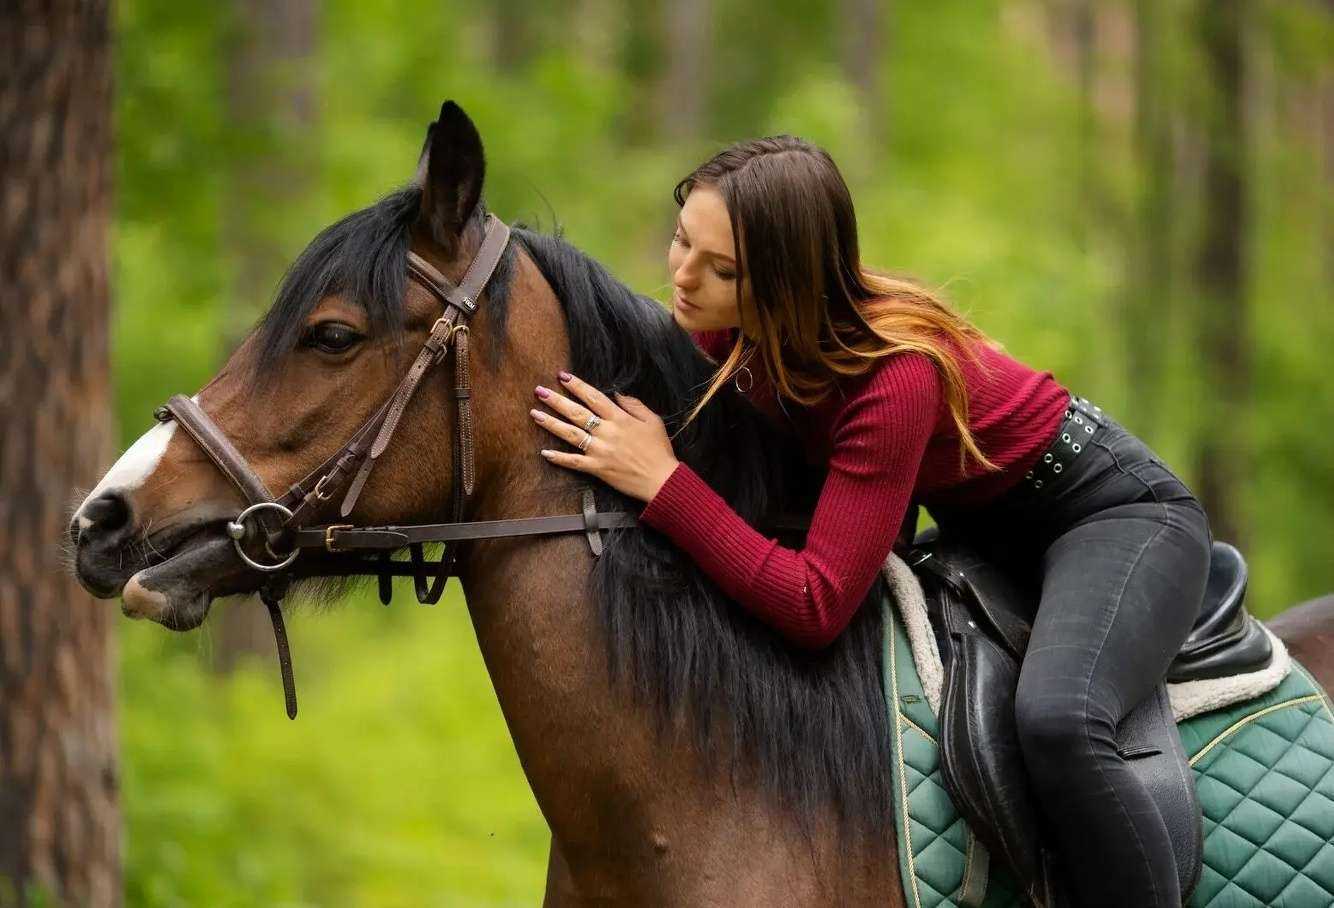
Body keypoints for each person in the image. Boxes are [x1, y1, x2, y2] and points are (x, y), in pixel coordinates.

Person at [527, 135, 1212, 907]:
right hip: (976, 529)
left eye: (723, 270)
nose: (683, 278)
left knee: (1058, 720)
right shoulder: (730, 335)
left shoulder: (893, 378)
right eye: (683, 239)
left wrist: (664, 482)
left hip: (1108, 514)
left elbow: (816, 605)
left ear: (786, 284)